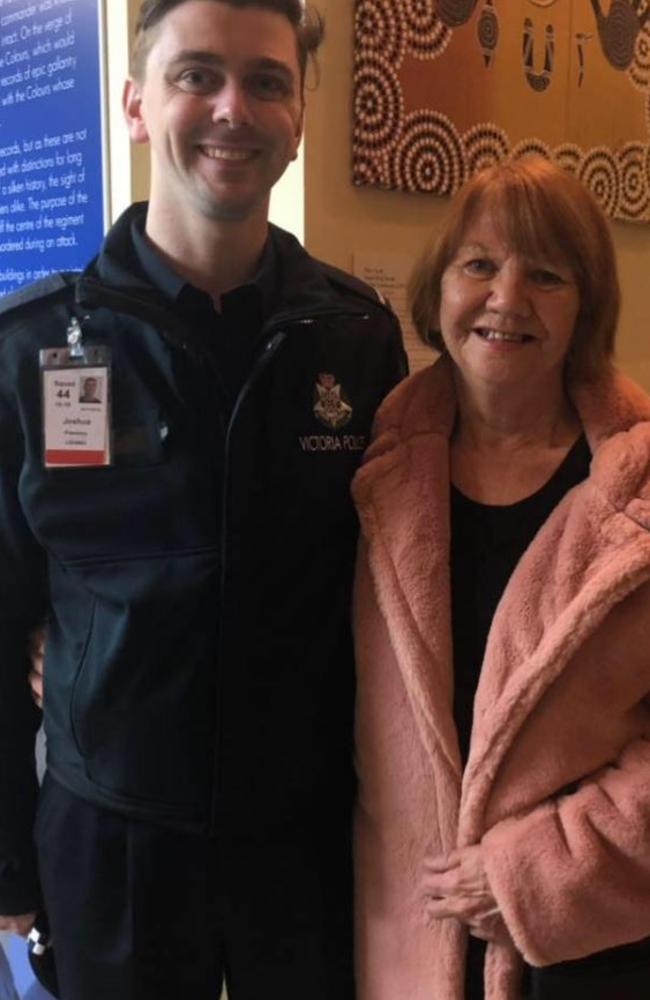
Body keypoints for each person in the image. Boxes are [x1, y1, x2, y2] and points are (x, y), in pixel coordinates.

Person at [0, 2, 405, 998]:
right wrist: (7, 858)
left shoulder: (354, 341)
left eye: (265, 80)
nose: (233, 107)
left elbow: (397, 600)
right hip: (112, 846)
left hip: (304, 844)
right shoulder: (38, 349)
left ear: (298, 114)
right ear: (138, 104)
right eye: (196, 75)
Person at [351, 156, 650, 999]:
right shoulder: (373, 472)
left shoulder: (639, 497)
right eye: (478, 264)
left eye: (545, 274)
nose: (505, 298)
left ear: (585, 303)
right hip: (406, 942)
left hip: (592, 958)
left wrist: (530, 876)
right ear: (438, 286)